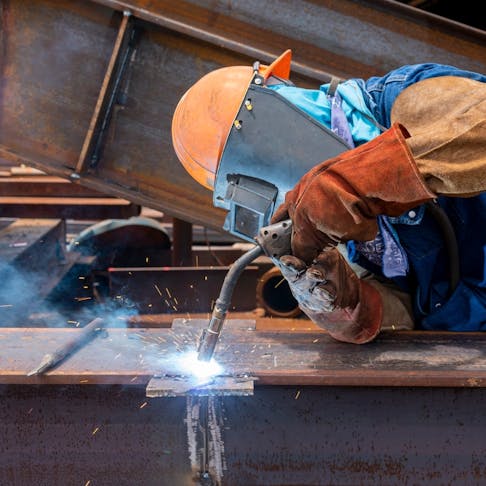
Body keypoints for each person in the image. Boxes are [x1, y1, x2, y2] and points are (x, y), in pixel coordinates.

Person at [171, 49, 486, 344]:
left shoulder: (397, 99)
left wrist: (362, 179)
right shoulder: (337, 227)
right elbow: (409, 309)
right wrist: (350, 305)